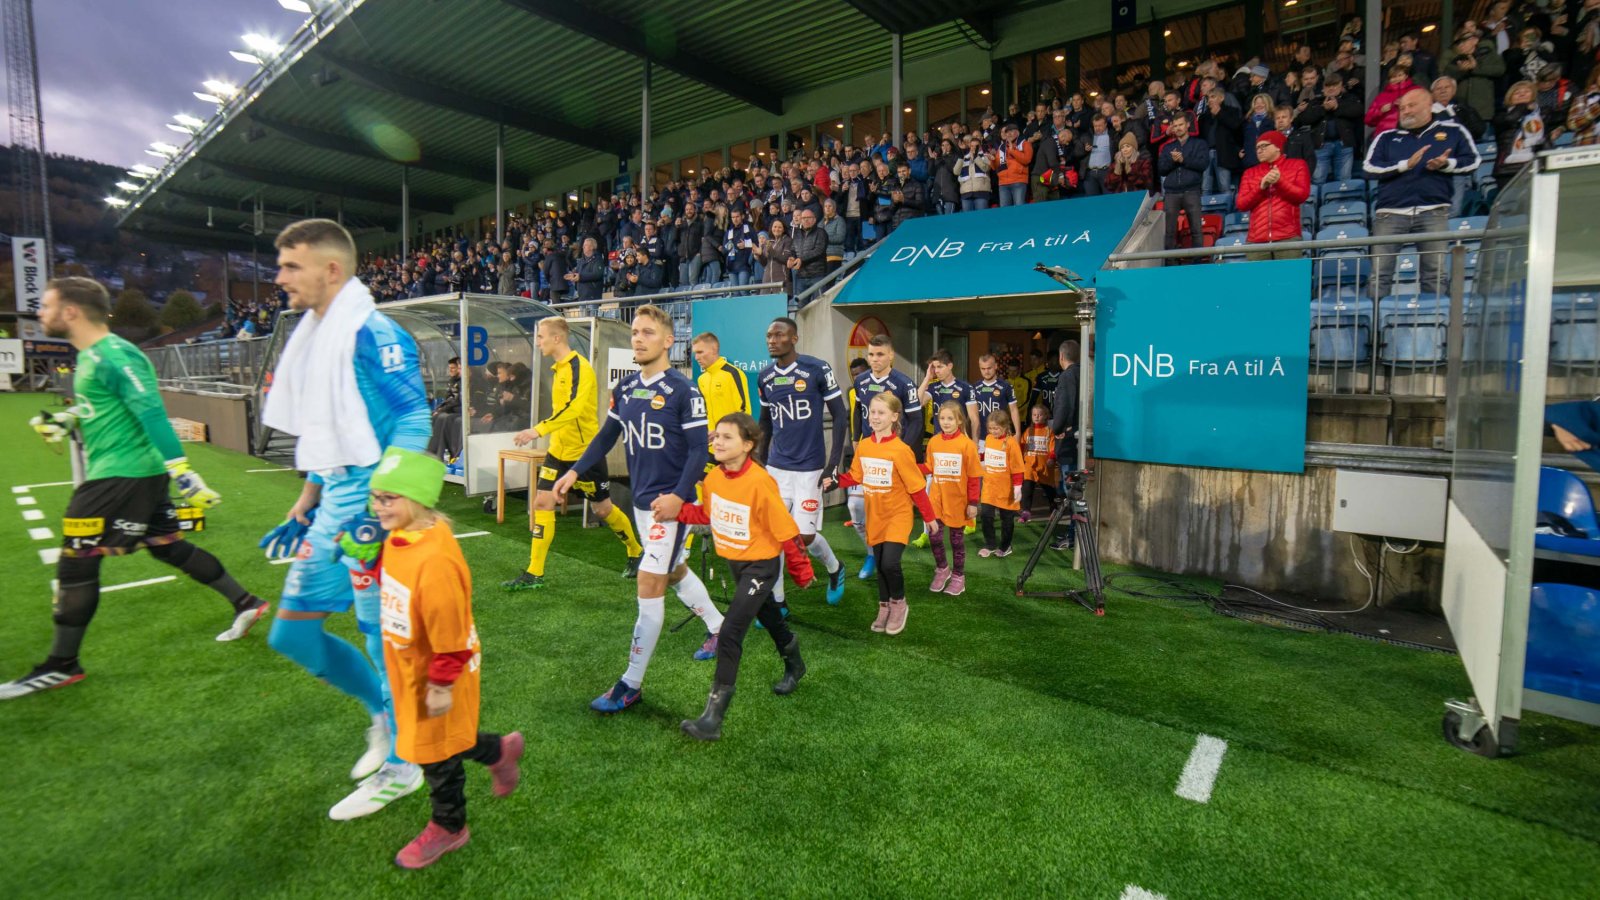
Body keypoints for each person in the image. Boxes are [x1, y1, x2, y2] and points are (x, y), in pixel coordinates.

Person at [3, 278, 263, 701]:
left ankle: (62, 665)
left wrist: (183, 471)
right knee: (168, 547)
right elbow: (102, 407)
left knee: (76, 562)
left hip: (121, 477)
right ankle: (245, 602)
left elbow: (152, 412)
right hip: (134, 474)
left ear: (71, 311)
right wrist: (68, 420)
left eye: (46, 305)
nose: (40, 313)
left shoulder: (114, 354)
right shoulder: (93, 356)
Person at [260, 219, 433, 819]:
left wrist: (386, 505)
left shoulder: (373, 332)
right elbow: (329, 429)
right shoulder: (318, 334)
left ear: (331, 269)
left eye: (291, 266)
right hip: (334, 500)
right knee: (292, 633)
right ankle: (382, 717)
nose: (280, 278)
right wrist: (308, 499)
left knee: (383, 639)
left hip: (370, 508)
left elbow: (414, 417)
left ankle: (404, 766)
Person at [555, 305, 724, 713]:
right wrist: (573, 471)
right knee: (674, 570)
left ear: (668, 341)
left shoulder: (684, 391)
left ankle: (630, 683)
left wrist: (679, 497)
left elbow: (698, 450)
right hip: (643, 503)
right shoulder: (627, 387)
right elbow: (605, 436)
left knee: (649, 582)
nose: (638, 338)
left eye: (648, 332)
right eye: (635, 332)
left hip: (672, 506)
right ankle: (720, 626)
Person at [364, 447, 525, 869]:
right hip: (412, 666)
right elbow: (395, 574)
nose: (378, 507)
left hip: (437, 671)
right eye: (375, 497)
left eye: (388, 498)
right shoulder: (403, 534)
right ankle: (499, 751)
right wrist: (370, 563)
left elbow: (451, 637)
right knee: (440, 739)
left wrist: (439, 684)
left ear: (417, 499)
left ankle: (449, 825)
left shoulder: (434, 561)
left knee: (434, 752)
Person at [675, 413, 816, 742]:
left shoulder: (760, 482)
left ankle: (712, 718)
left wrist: (801, 570)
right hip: (736, 565)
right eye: (716, 436)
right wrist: (676, 511)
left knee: (730, 632)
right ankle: (795, 664)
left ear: (748, 445)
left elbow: (786, 530)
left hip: (761, 567)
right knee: (770, 618)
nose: (718, 442)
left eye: (727, 437)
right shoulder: (713, 479)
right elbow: (707, 514)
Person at [504, 317, 643, 592]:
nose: (538, 342)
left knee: (602, 509)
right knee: (542, 502)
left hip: (584, 454)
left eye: (541, 336)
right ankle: (534, 572)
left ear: (556, 338)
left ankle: (636, 551)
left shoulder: (581, 367)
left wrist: (537, 430)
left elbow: (574, 409)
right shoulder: (557, 369)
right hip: (557, 451)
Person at [825, 393, 939, 636]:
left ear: (894, 417)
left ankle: (899, 604)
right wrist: (834, 482)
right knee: (879, 563)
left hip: (897, 516)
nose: (874, 417)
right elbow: (855, 476)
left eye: (881, 413)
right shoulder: (865, 445)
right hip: (874, 516)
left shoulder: (901, 450)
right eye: (872, 412)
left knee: (890, 563)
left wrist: (929, 518)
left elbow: (916, 488)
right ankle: (884, 606)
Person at [757, 317, 849, 608]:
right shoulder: (765, 377)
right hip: (776, 468)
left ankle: (835, 567)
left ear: (794, 338)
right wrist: (759, 462)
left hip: (810, 469)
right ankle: (779, 602)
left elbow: (841, 415)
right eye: (769, 335)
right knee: (774, 537)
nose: (772, 340)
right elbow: (765, 423)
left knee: (804, 537)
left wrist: (833, 465)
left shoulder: (817, 369)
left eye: (779, 335)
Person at [1363, 88, 1481, 300]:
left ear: (1429, 106)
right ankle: (1376, 321)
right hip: (1390, 214)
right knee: (1379, 275)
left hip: (1433, 212)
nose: (1406, 111)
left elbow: (1473, 161)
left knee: (1435, 274)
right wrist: (1404, 165)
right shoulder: (1386, 137)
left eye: (1412, 105)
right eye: (1402, 107)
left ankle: (1434, 319)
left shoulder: (1454, 131)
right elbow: (1369, 168)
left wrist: (1447, 164)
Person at [924, 402, 980, 597]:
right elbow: (929, 467)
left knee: (956, 541)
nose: (945, 422)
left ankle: (958, 576)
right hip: (936, 499)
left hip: (958, 501)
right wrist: (909, 467)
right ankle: (942, 569)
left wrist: (973, 503)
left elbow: (974, 477)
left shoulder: (967, 445)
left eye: (950, 418)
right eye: (942, 418)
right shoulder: (934, 442)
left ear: (959, 420)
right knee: (934, 536)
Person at [1236, 130, 1312, 260]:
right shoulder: (1250, 173)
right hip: (1256, 240)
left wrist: (1280, 182)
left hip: (1288, 237)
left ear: (1278, 147)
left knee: (1288, 274)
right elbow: (1241, 204)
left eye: (1264, 146)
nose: (1259, 150)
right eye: (1257, 148)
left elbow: (1302, 195)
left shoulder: (1298, 165)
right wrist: (1260, 187)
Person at [976, 411, 1025, 558]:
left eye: (996, 428)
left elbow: (1017, 467)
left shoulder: (1011, 443)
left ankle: (1005, 546)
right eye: (991, 428)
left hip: (1006, 489)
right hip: (989, 487)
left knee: (1007, 519)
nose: (993, 431)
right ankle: (990, 544)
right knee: (986, 515)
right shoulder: (988, 438)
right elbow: (987, 456)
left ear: (1005, 427)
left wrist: (1017, 487)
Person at [1157, 115, 1208, 254]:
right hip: (1171, 193)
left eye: (1181, 124)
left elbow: (1203, 164)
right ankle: (1171, 262)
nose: (1178, 128)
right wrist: (1174, 161)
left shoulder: (1199, 144)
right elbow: (1161, 169)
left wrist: (1183, 160)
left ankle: (1198, 261)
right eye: (1175, 126)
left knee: (1196, 229)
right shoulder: (1167, 147)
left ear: (1188, 125)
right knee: (1169, 232)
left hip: (1192, 191)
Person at [1049, 340, 1081, 551]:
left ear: (1061, 357)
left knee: (1071, 494)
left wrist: (1056, 428)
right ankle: (1072, 533)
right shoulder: (1085, 372)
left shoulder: (1067, 376)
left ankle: (1072, 536)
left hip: (1069, 443)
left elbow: (1063, 406)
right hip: (1078, 439)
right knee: (1073, 492)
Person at [917, 348, 978, 449]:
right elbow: (916, 403)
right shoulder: (933, 387)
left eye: (940, 367)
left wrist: (975, 441)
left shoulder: (966, 387)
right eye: (934, 367)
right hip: (939, 441)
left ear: (950, 366)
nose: (936, 371)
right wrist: (927, 378)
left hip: (959, 442)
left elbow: (974, 419)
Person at [1494, 80, 1547, 184]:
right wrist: (1524, 106)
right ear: (1509, 98)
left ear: (1533, 95)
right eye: (1517, 93)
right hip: (1508, 169)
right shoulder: (1501, 116)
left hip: (1536, 163)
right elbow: (1511, 118)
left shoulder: (1542, 115)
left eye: (1526, 91)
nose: (1522, 94)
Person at [971, 352, 1021, 449]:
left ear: (996, 366)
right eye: (983, 369)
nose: (986, 371)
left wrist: (1018, 433)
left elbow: (1014, 410)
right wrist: (974, 438)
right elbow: (972, 416)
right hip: (981, 438)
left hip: (1001, 437)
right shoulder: (974, 387)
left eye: (989, 368)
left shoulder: (1006, 386)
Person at [1018, 403, 1058, 524]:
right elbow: (1021, 445)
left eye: (1039, 415)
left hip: (1044, 466)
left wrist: (1052, 458)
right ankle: (1026, 512)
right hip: (1030, 465)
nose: (1036, 417)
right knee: (1027, 488)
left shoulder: (1049, 431)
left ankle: (1054, 508)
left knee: (1049, 489)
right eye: (1034, 415)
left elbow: (1053, 447)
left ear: (1045, 416)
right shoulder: (1028, 431)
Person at [425, 357, 463, 463]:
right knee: (434, 415)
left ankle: (439, 451)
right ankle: (431, 449)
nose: (451, 370)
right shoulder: (451, 381)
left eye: (453, 368)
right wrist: (439, 408)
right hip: (451, 409)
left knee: (442, 417)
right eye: (449, 368)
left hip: (458, 411)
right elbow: (448, 399)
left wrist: (442, 410)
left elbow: (456, 401)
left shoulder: (462, 382)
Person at [996, 123, 1034, 207]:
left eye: (1012, 131)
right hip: (1003, 183)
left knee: (1019, 210)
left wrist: (1012, 151)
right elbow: (995, 166)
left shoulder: (1025, 144)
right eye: (1007, 132)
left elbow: (1027, 159)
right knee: (1005, 212)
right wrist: (992, 160)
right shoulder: (1001, 147)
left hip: (1018, 181)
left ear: (1018, 133)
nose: (1009, 134)